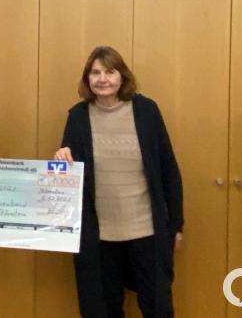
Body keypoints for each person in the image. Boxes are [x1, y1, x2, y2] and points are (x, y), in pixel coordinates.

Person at [53, 46, 184, 318]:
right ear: (87, 78)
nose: (103, 79)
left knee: (158, 308)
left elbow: (169, 169)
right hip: (99, 238)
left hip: (147, 232)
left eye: (110, 71)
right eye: (95, 72)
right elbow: (67, 174)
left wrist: (176, 225)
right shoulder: (77, 117)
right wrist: (61, 160)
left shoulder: (146, 111)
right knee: (102, 309)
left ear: (122, 76)